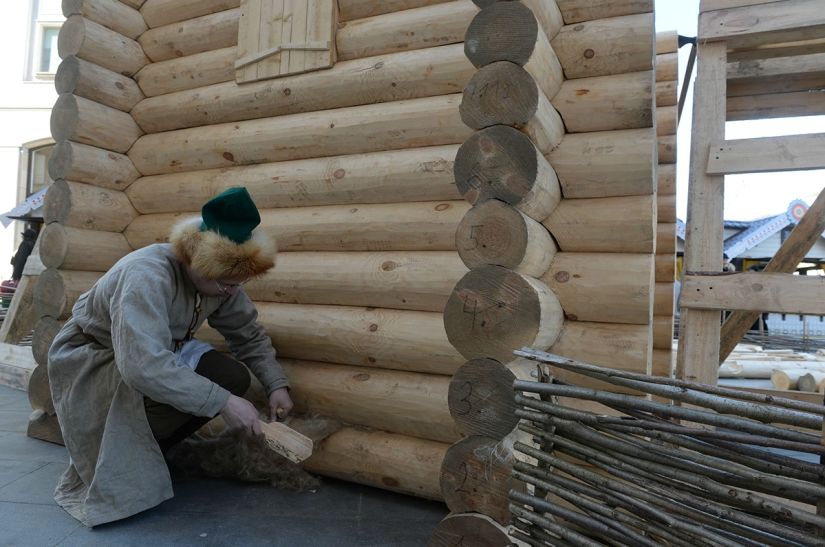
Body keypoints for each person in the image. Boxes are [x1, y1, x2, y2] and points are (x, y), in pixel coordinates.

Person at [48, 187, 292, 527]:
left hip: (154, 352)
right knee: (212, 393)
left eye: (240, 283)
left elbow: (247, 334)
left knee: (232, 377)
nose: (233, 292)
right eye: (226, 284)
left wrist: (275, 384)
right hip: (95, 356)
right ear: (198, 263)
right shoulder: (145, 275)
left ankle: (155, 450)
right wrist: (223, 403)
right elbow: (142, 366)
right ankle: (137, 455)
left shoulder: (223, 283)